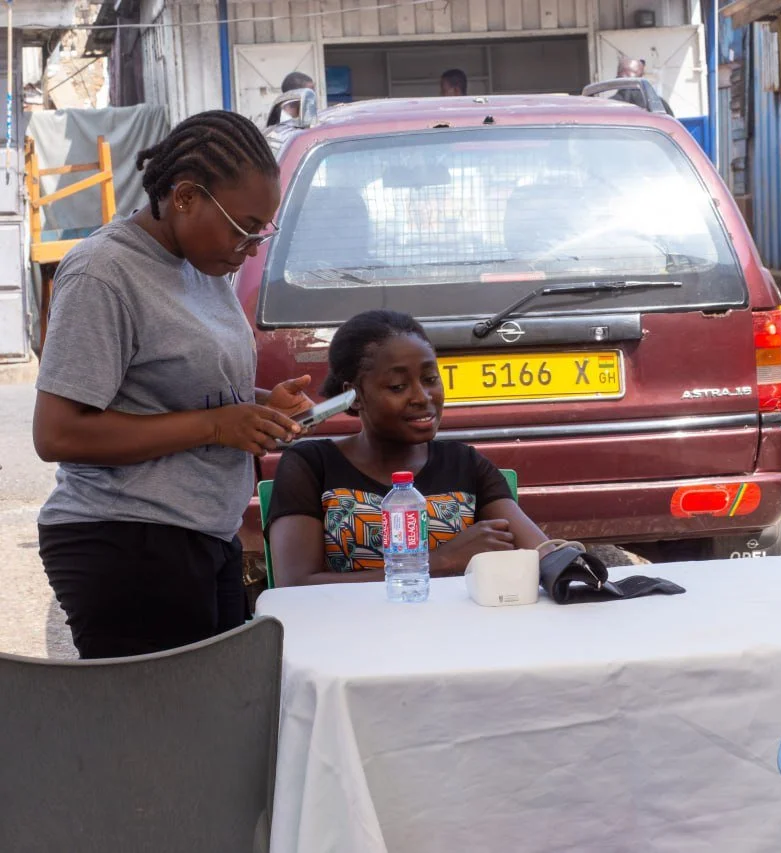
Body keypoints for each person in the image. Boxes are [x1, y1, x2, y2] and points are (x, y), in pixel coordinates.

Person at [33, 111, 314, 659]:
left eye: (263, 229)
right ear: (185, 197)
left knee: (212, 722)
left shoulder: (198, 266)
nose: (252, 246)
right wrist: (215, 426)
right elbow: (58, 433)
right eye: (244, 226)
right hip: (126, 541)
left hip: (202, 533)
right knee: (159, 735)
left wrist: (258, 410)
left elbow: (174, 389)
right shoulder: (103, 273)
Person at [266, 310, 548, 586]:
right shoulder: (312, 465)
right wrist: (440, 561)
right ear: (354, 396)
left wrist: (568, 561)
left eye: (430, 379)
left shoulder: (465, 463)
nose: (422, 397)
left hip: (459, 629)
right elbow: (294, 584)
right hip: (348, 630)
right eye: (398, 386)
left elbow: (543, 554)